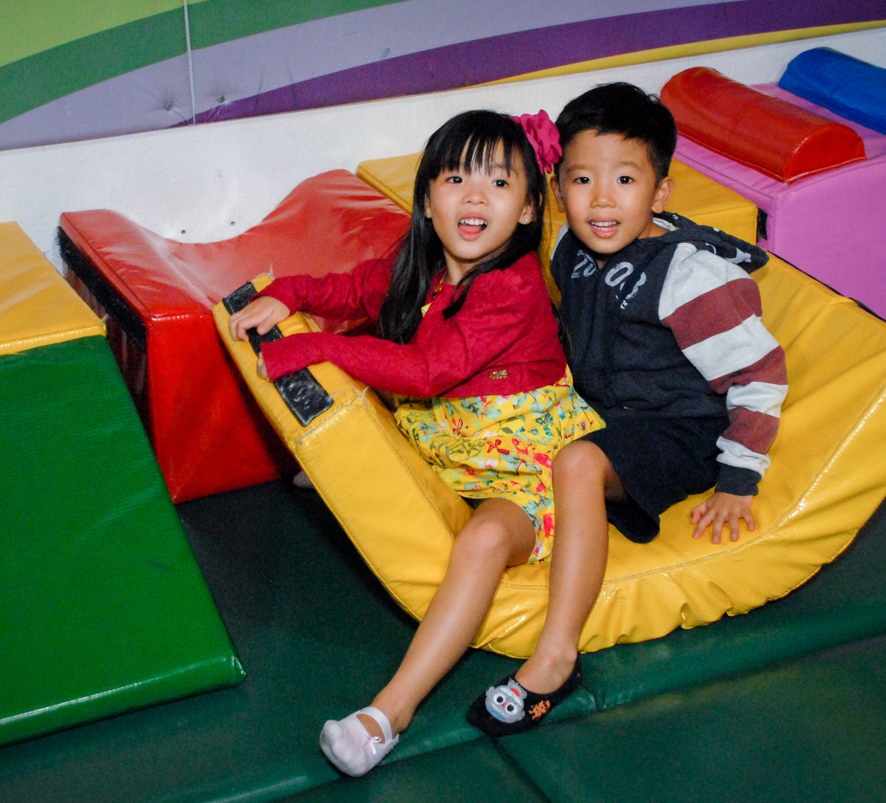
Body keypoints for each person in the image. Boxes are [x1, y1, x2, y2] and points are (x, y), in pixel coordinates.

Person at [228, 109, 602, 775]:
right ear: (428, 198)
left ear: (525, 211)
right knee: (370, 365)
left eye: (498, 182)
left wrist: (318, 345)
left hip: (521, 466)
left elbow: (428, 370)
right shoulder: (421, 264)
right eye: (456, 177)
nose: (475, 196)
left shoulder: (511, 287)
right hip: (445, 445)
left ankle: (387, 713)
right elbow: (350, 288)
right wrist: (287, 293)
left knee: (483, 540)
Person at [465, 82, 789, 735]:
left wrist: (737, 480)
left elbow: (759, 374)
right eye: (583, 179)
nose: (603, 199)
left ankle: (557, 657)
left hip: (682, 429)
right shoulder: (570, 251)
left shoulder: (691, 276)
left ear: (660, 192)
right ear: (558, 190)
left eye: (624, 179)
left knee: (580, 463)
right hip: (606, 411)